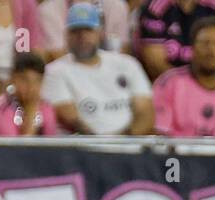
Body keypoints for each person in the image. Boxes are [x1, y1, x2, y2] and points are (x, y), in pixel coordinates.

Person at [41, 2, 152, 135]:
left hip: (132, 145)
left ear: (100, 33)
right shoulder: (54, 71)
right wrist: (106, 146)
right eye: (75, 31)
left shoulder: (127, 64)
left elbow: (145, 111)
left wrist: (123, 142)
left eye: (88, 30)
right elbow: (70, 118)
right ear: (66, 35)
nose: (82, 36)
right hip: (82, 148)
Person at [153, 18, 215, 139]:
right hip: (176, 157)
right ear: (192, 48)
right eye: (204, 43)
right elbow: (160, 135)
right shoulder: (169, 83)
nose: (211, 50)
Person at [137, 0, 215, 81]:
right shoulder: (156, 6)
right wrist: (188, 85)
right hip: (167, 84)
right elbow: (155, 64)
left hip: (208, 83)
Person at [0, 52, 57, 137]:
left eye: (37, 81)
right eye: (24, 79)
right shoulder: (2, 108)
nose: (31, 87)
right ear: (13, 79)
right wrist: (32, 114)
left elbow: (51, 145)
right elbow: (15, 148)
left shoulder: (46, 108)